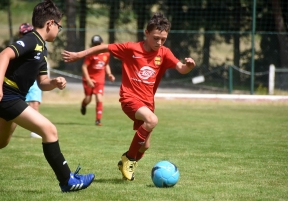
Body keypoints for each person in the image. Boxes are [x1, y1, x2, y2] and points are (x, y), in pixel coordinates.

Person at [62, 13, 196, 181]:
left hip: (148, 103)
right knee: (152, 120)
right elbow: (104, 47)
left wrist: (189, 67)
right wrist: (80, 54)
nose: (159, 42)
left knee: (145, 146)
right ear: (146, 33)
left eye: (163, 39)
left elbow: (182, 68)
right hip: (129, 98)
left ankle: (126, 162)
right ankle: (129, 159)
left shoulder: (164, 52)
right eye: (155, 38)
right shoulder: (131, 48)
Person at [0, 0, 94, 192]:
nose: (59, 30)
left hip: (14, 97)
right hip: (6, 95)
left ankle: (67, 180)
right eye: (59, 26)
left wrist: (54, 83)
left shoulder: (43, 49)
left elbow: (42, 82)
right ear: (50, 23)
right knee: (49, 130)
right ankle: (67, 181)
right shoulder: (31, 39)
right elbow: (4, 54)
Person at [80, 35, 115, 126]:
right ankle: (84, 104)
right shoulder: (91, 54)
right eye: (95, 44)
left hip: (99, 80)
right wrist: (88, 79)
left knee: (99, 98)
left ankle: (98, 120)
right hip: (89, 79)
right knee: (88, 99)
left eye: (98, 44)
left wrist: (109, 74)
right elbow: (84, 67)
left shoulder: (106, 54)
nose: (97, 46)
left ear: (102, 43)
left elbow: (106, 65)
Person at [19, 22, 43, 139]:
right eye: (24, 34)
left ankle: (34, 130)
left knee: (34, 104)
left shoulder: (39, 47)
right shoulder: (18, 47)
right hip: (17, 83)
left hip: (33, 82)